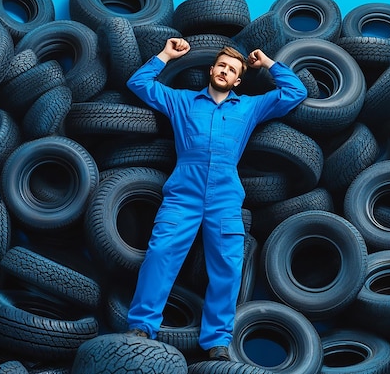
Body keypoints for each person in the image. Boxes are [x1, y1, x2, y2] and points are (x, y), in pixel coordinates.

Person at [124, 37, 306, 361]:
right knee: (160, 253)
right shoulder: (182, 101)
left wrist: (266, 64)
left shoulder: (249, 107)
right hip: (183, 193)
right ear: (212, 69)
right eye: (221, 65)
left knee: (228, 267)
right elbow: (138, 83)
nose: (225, 71)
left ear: (238, 80)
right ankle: (141, 326)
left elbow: (295, 92)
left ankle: (217, 342)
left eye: (232, 69)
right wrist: (166, 55)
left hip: (224, 196)